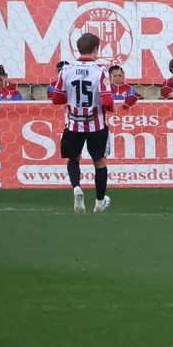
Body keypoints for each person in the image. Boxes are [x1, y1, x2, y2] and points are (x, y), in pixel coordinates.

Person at [46, 32, 115, 213]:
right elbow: (107, 102)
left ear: (79, 48)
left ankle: (77, 187)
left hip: (74, 124)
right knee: (99, 161)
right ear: (95, 49)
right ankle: (99, 202)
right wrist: (111, 108)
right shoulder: (100, 71)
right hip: (96, 125)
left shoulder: (66, 70)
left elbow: (57, 99)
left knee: (73, 158)